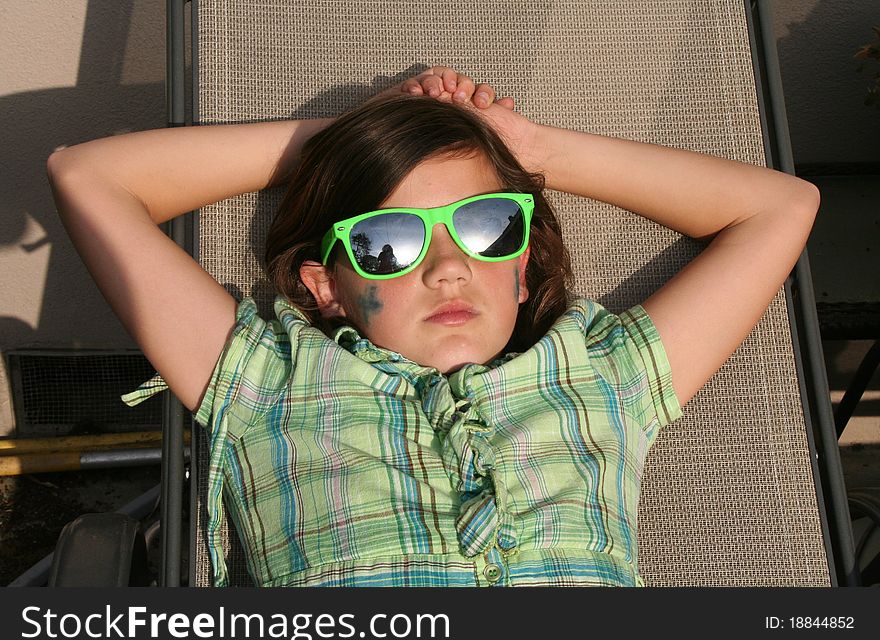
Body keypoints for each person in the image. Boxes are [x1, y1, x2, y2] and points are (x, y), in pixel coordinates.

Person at [47, 66, 819, 587]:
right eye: (388, 242)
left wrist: (532, 150)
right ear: (329, 290)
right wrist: (364, 138)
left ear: (521, 269)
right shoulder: (267, 380)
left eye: (486, 226)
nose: (448, 268)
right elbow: (89, 178)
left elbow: (780, 207)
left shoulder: (602, 377)